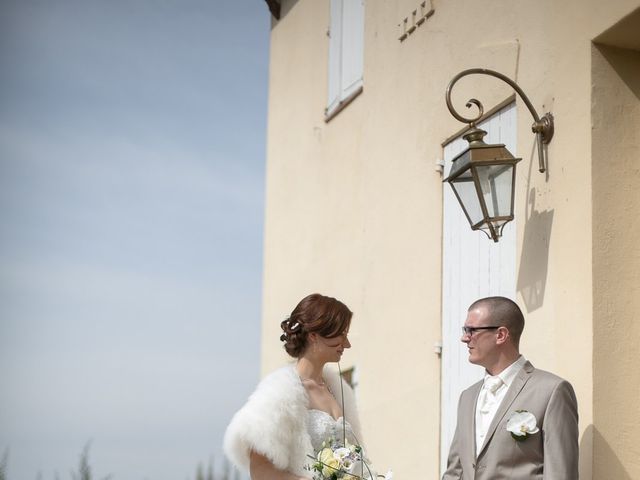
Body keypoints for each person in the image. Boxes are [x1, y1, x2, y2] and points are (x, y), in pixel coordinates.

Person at [224, 293, 363, 480]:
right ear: (314, 336)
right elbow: (260, 472)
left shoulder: (340, 392)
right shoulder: (279, 395)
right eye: (341, 334)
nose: (347, 344)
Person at [442, 296, 579, 480]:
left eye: (471, 330)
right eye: (465, 330)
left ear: (501, 335)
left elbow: (561, 474)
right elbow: (455, 472)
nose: (464, 338)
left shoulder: (551, 391)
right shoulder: (467, 397)